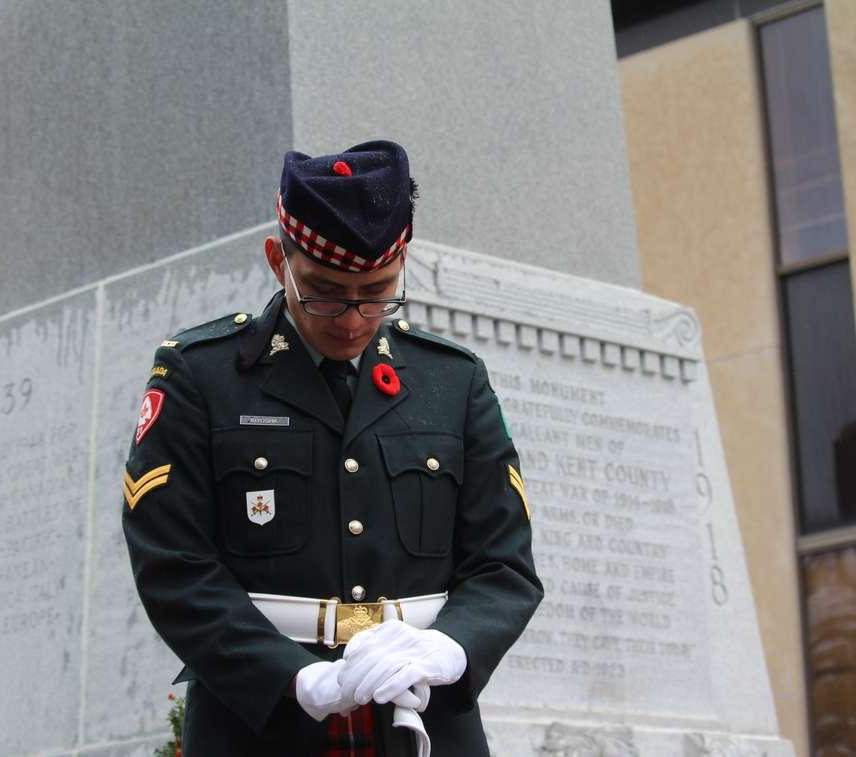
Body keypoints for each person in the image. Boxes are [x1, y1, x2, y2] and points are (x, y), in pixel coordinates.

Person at [122, 140, 542, 756]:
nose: (351, 319)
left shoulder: (453, 381)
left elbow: (503, 565)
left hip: (423, 717)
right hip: (260, 723)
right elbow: (173, 564)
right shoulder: (200, 377)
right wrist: (295, 677)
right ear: (277, 260)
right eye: (323, 292)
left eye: (378, 293)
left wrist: (450, 647)